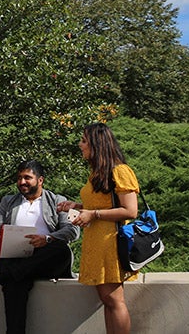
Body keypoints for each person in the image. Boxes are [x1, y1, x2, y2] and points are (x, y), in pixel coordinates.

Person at [56, 123, 140, 334]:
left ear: (97, 144)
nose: (80, 144)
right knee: (107, 300)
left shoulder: (120, 171)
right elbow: (102, 205)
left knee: (114, 300)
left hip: (112, 243)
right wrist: (77, 207)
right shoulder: (97, 173)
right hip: (98, 242)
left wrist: (93, 214)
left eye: (83, 140)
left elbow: (130, 211)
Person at [0, 160, 79, 333]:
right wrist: (4, 246)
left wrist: (47, 239)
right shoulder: (7, 201)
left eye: (27, 177)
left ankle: (5, 275)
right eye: (19, 178)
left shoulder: (59, 200)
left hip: (45, 258)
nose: (22, 182)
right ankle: (10, 275)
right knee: (15, 282)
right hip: (15, 256)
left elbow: (73, 230)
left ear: (40, 180)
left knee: (61, 249)